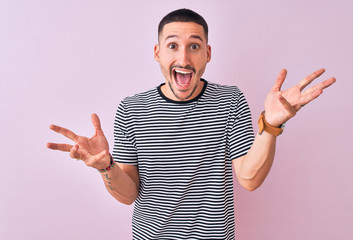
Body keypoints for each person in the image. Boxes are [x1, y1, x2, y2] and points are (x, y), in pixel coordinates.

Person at [47, 8, 336, 239]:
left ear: (207, 54)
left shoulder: (230, 100)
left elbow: (249, 179)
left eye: (194, 46)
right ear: (158, 52)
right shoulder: (132, 109)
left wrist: (270, 126)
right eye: (173, 45)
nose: (183, 57)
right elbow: (128, 195)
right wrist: (105, 166)